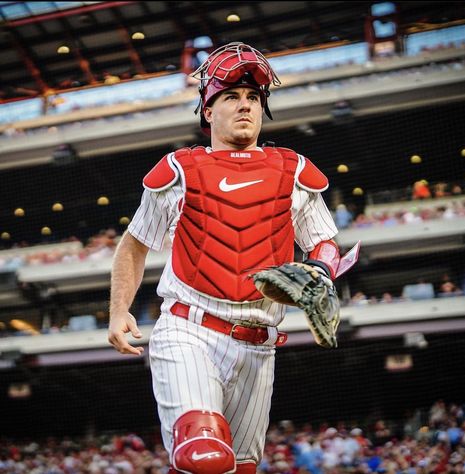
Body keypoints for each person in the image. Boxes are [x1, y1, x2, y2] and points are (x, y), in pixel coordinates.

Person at [108, 42, 344, 474]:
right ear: (207, 110)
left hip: (259, 346)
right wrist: (119, 309)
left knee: (241, 468)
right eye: (231, 97)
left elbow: (325, 244)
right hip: (189, 330)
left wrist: (321, 270)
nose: (245, 106)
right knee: (204, 452)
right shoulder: (180, 170)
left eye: (253, 97)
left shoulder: (292, 170)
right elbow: (135, 243)